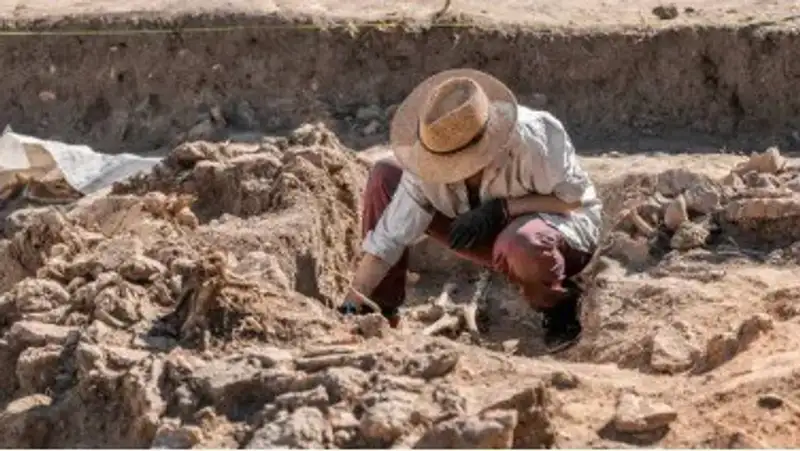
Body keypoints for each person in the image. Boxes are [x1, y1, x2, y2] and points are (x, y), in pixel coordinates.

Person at [338, 69, 602, 352]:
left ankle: (558, 306)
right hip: (483, 233)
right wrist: (353, 302)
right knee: (386, 173)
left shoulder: (535, 137)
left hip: (558, 230)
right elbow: (388, 239)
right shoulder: (427, 160)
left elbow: (572, 201)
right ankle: (378, 309)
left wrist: (502, 209)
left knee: (521, 243)